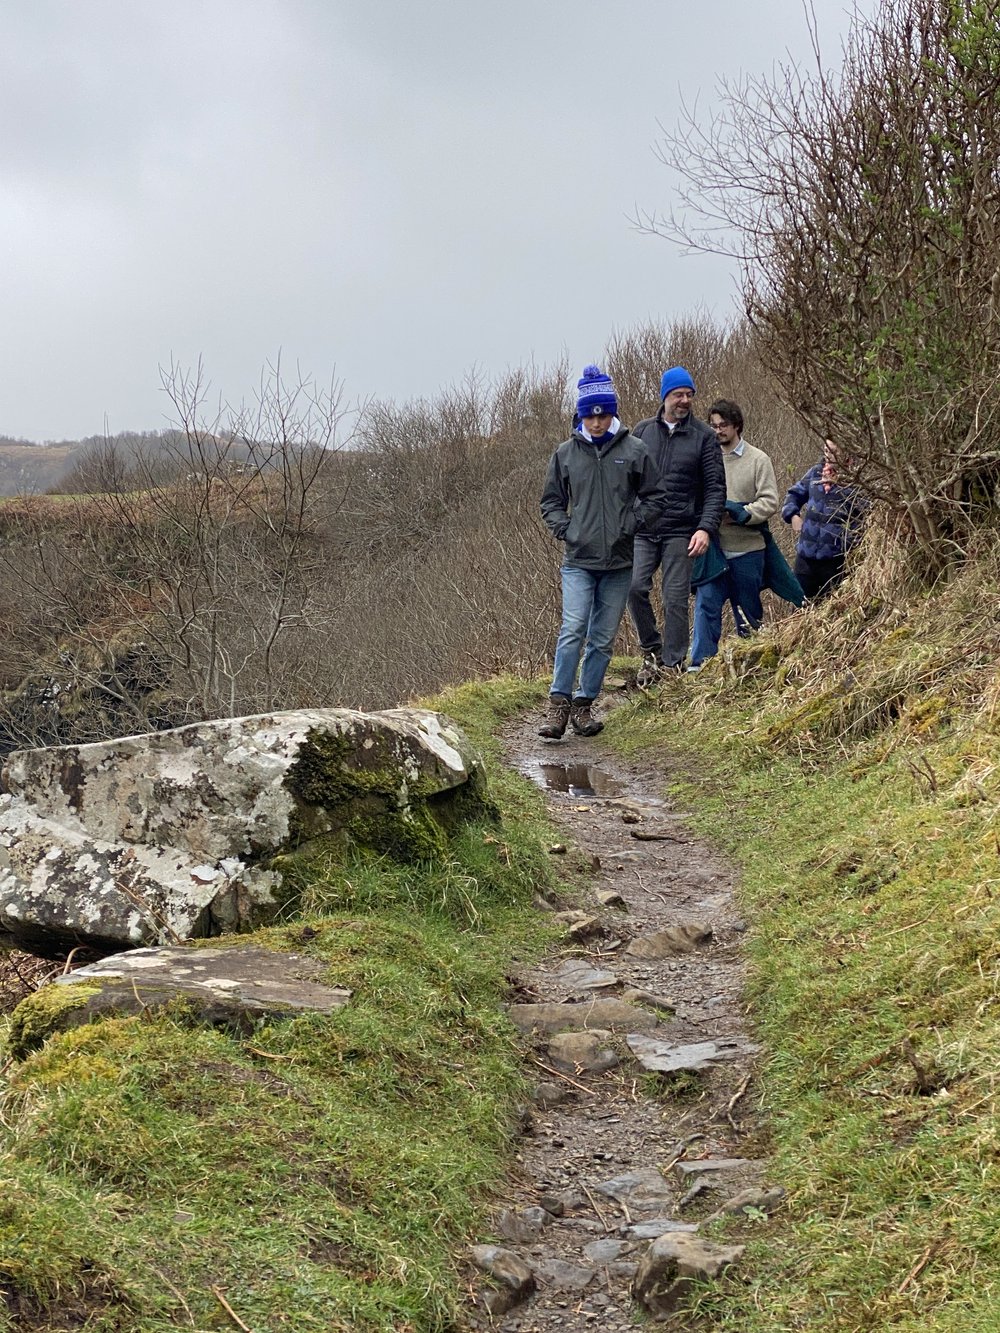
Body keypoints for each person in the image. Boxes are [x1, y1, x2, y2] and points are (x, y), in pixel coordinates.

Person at [538, 365, 666, 739]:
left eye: (603, 413)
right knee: (573, 628)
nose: (596, 421)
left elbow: (656, 497)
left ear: (612, 412)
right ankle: (558, 706)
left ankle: (583, 705)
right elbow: (551, 502)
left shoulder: (635, 450)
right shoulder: (565, 454)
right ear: (581, 415)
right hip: (578, 560)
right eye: (590, 414)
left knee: (602, 639)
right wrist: (567, 529)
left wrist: (632, 523)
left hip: (619, 562)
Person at [627, 366, 726, 685]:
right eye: (678, 395)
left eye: (689, 395)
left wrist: (705, 528)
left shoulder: (704, 437)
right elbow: (626, 481)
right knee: (634, 587)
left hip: (682, 530)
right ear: (665, 397)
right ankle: (651, 653)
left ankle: (672, 665)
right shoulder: (641, 432)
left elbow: (715, 489)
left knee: (674, 599)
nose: (684, 401)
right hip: (643, 528)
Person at [689, 399, 779, 668]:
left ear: (737, 425)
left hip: (747, 548)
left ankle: (751, 665)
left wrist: (741, 513)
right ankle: (699, 666)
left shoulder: (758, 460)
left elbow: (770, 501)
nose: (718, 431)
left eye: (724, 425)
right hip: (712, 549)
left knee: (748, 610)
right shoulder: (704, 459)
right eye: (714, 426)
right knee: (706, 605)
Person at [781, 440, 868, 600]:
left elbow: (866, 517)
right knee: (800, 607)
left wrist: (848, 543)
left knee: (830, 611)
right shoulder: (816, 472)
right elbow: (793, 494)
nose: (828, 455)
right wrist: (793, 515)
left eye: (833, 451)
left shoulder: (857, 481)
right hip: (805, 558)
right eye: (826, 450)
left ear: (846, 451)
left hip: (836, 563)